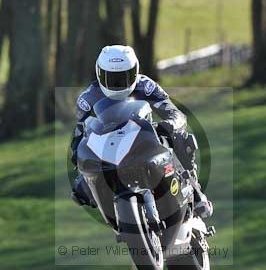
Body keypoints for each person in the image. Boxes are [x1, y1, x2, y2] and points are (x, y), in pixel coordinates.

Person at [69, 45, 213, 218]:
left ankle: (195, 192)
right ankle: (110, 209)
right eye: (112, 78)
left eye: (124, 77)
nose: (118, 84)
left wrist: (171, 123)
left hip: (144, 140)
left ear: (135, 71)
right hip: (108, 151)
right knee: (80, 187)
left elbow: (173, 111)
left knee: (180, 136)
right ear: (100, 74)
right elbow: (80, 133)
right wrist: (79, 158)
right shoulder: (87, 98)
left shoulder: (146, 86)